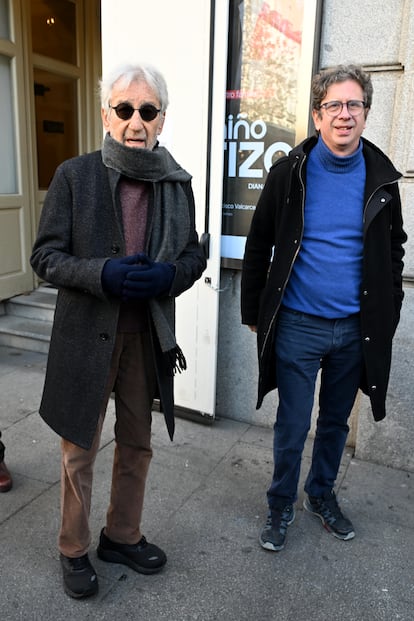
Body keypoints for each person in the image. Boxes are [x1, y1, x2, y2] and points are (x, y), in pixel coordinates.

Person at [30, 62, 206, 598]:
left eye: (147, 111)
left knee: (137, 443)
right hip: (86, 337)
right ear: (106, 114)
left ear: (161, 118)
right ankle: (74, 549)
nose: (136, 121)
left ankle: (121, 534)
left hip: (145, 338)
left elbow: (194, 254)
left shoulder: (176, 183)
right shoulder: (74, 176)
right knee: (78, 449)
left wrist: (169, 275)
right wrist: (100, 273)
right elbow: (44, 257)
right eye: (125, 109)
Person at [241, 64, 406, 552]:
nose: (344, 114)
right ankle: (279, 503)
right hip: (297, 323)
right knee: (293, 423)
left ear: (366, 114)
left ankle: (320, 494)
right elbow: (259, 245)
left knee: (335, 422)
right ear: (317, 115)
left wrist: (388, 309)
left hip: (355, 328)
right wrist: (254, 309)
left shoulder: (383, 178)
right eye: (333, 105)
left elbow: (394, 249)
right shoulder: (288, 173)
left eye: (354, 104)